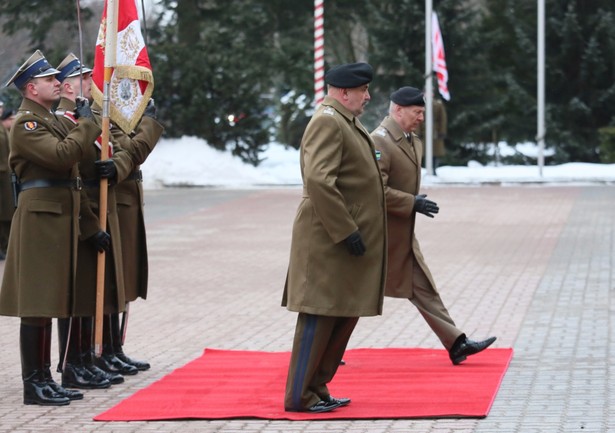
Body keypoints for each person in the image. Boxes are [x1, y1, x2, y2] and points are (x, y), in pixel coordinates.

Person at [282, 62, 387, 413]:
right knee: (319, 315)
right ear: (344, 93)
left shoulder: (346, 121)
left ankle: (317, 387)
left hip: (343, 240)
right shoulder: (327, 121)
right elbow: (319, 181)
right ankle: (300, 396)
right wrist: (346, 230)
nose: (368, 96)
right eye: (363, 90)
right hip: (329, 240)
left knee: (342, 314)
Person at [0, 50, 102, 405]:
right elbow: (62, 156)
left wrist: (89, 226)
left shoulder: (49, 119)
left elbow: (73, 176)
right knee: (38, 302)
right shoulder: (29, 125)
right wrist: (88, 124)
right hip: (40, 218)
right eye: (49, 80)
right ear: (31, 88)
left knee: (53, 299)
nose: (58, 83)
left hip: (58, 215)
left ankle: (45, 377)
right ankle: (34, 383)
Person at [371, 86, 496, 365]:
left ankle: (456, 343)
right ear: (398, 110)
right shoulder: (379, 141)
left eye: (423, 113)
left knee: (424, 287)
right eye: (417, 112)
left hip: (401, 236)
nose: (421, 118)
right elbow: (373, 190)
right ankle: (326, 349)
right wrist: (411, 202)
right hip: (377, 237)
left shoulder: (412, 140)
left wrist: (411, 205)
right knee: (354, 294)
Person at [53, 53, 138, 388]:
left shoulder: (90, 117)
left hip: (99, 204)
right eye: (83, 78)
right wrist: (88, 222)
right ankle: (74, 362)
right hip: (81, 207)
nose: (90, 82)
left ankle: (89, 357)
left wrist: (116, 166)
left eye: (89, 76)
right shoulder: (64, 120)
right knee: (79, 292)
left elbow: (119, 149)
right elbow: (70, 166)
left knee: (96, 289)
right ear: (67, 84)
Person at [110, 97, 163, 372]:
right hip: (114, 204)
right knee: (113, 281)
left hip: (126, 203)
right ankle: (104, 351)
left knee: (125, 278)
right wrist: (149, 124)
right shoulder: (100, 116)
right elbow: (133, 152)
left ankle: (114, 348)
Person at [0, 105, 16, 259]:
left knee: (7, 211)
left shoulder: (3, 128)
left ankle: (5, 246)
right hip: (2, 175)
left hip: (5, 175)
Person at [418, 94, 447, 174]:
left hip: (435, 132)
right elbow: (417, 118)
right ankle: (423, 169)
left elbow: (442, 119)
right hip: (423, 132)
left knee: (435, 151)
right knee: (422, 151)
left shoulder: (438, 104)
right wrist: (418, 132)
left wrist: (442, 131)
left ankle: (433, 169)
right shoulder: (420, 104)